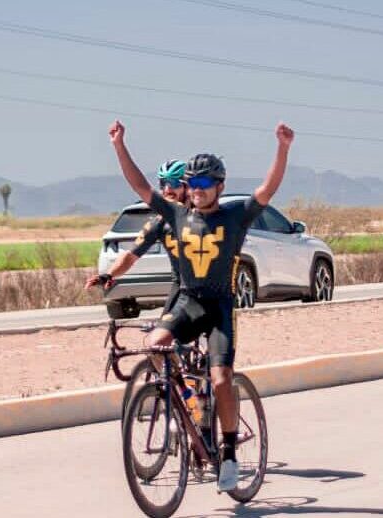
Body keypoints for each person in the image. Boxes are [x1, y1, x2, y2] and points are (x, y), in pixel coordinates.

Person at [108, 119, 294, 492]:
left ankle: (227, 453)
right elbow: (141, 186)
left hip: (220, 307)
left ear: (219, 186)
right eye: (192, 184)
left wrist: (283, 148)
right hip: (189, 302)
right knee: (155, 346)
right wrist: (118, 145)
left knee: (222, 377)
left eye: (205, 184)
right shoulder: (176, 215)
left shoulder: (235, 214)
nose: (197, 190)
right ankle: (184, 400)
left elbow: (267, 190)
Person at [85, 160, 188, 317]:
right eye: (163, 183)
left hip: (211, 288)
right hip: (182, 286)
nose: (167, 189)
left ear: (189, 185)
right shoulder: (159, 223)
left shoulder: (205, 216)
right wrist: (109, 275)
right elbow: (130, 255)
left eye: (174, 183)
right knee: (162, 336)